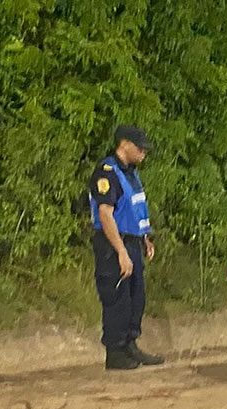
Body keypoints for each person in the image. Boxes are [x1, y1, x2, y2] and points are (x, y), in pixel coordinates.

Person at [88, 125, 164, 370]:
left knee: (135, 297)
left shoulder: (130, 173)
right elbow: (106, 215)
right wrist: (121, 251)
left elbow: (131, 210)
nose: (144, 153)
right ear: (125, 144)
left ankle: (130, 345)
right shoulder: (107, 173)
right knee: (117, 298)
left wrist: (144, 239)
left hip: (131, 241)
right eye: (140, 148)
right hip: (113, 244)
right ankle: (116, 352)